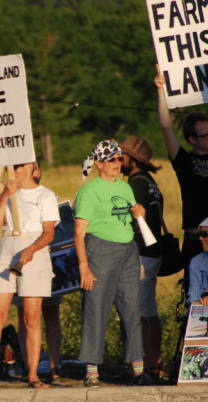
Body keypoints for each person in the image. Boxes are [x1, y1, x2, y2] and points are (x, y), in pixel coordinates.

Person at [0, 161, 59, 390]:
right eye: (13, 166)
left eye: (20, 166)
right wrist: (5, 195)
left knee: (31, 317)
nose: (16, 170)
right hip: (8, 244)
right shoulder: (8, 191)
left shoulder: (46, 195)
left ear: (31, 168)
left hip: (35, 247)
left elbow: (49, 231)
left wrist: (31, 249)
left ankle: (32, 374)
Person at [75, 140, 149, 387]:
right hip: (99, 249)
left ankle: (138, 370)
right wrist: (84, 265)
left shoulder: (126, 188)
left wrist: (140, 214)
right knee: (96, 309)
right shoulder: (88, 190)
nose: (118, 163)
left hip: (128, 250)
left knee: (131, 307)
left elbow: (130, 221)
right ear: (99, 164)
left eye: (119, 159)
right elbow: (78, 231)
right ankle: (92, 371)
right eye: (112, 159)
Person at [155, 67, 208, 282]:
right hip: (195, 240)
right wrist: (161, 91)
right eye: (206, 135)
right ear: (192, 139)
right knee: (196, 302)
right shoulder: (184, 161)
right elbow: (166, 126)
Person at [119, 136, 165, 380]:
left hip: (139, 254)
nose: (119, 159)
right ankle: (154, 361)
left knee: (139, 313)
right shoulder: (150, 181)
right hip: (152, 253)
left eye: (122, 155)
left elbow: (131, 220)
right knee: (149, 310)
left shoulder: (135, 183)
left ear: (133, 159)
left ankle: (147, 365)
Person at [188, 217, 208, 306]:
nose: (200, 238)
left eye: (204, 234)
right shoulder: (196, 262)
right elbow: (193, 297)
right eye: (199, 234)